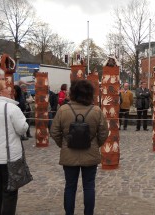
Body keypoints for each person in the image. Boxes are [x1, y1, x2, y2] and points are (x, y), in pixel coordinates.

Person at [50, 80, 109, 215]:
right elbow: (104, 133)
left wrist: (64, 144)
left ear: (73, 93)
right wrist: (95, 144)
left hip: (69, 154)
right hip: (90, 154)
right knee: (89, 187)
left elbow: (54, 132)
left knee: (70, 187)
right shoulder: (96, 111)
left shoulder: (63, 109)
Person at [0, 79, 29, 215]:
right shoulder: (11, 108)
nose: (10, 89)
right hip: (9, 157)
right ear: (0, 92)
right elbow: (22, 129)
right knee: (9, 191)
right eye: (6, 87)